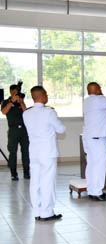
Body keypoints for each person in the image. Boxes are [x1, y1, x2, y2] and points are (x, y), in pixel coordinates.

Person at [23, 86, 65, 221]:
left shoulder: (26, 113)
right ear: (41, 96)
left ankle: (37, 211)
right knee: (47, 181)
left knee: (35, 181)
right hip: (47, 152)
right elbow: (61, 129)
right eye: (46, 94)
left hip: (34, 151)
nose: (47, 96)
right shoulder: (49, 112)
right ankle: (47, 212)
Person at [1, 84, 29, 181]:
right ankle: (13, 173)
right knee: (12, 152)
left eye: (18, 92)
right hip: (13, 130)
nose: (16, 94)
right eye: (15, 92)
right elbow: (4, 112)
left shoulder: (21, 101)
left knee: (25, 151)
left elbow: (26, 113)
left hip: (24, 130)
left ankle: (26, 172)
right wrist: (11, 102)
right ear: (11, 92)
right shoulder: (5, 102)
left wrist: (22, 103)